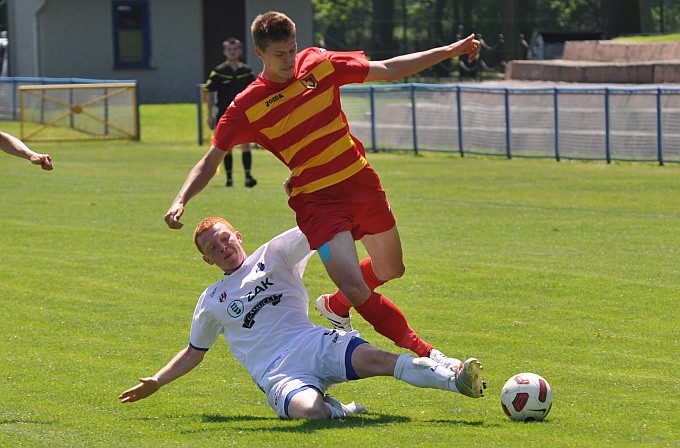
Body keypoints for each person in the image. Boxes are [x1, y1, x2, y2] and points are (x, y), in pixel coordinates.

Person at [165, 11, 481, 371]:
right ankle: (428, 354)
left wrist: (451, 50)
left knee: (392, 268)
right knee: (358, 287)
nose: (289, 61)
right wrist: (181, 199)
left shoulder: (319, 63)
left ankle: (335, 305)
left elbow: (389, 68)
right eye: (280, 54)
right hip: (318, 202)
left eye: (292, 49)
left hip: (360, 182)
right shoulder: (247, 106)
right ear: (260, 54)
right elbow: (210, 160)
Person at [119, 217, 485, 420]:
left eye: (225, 239)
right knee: (312, 415)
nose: (223, 248)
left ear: (238, 235)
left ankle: (456, 381)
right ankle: (333, 408)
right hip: (276, 372)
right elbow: (194, 352)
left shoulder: (274, 253)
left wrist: (313, 190)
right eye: (213, 249)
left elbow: (317, 225)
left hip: (312, 343)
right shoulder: (212, 300)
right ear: (207, 261)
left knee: (380, 360)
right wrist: (157, 381)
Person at [205, 37, 257, 188]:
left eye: (235, 49)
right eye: (229, 49)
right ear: (225, 52)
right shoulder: (218, 72)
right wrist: (209, 114)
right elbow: (210, 93)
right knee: (225, 147)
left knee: (245, 144)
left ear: (240, 51)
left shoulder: (246, 71)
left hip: (243, 114)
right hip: (223, 114)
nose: (232, 52)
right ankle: (229, 179)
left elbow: (254, 92)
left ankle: (248, 177)